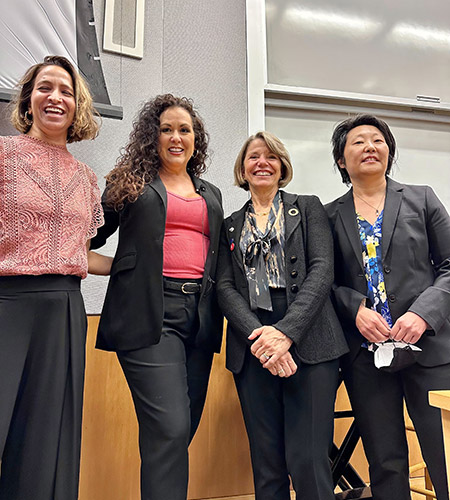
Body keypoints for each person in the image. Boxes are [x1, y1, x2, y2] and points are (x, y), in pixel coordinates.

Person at [89, 94, 223, 500]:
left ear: (196, 138)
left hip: (200, 314)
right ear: (153, 136)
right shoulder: (128, 183)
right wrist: (125, 265)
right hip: (149, 313)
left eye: (185, 130)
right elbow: (83, 242)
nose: (176, 137)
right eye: (167, 129)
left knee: (182, 425)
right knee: (170, 426)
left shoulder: (211, 192)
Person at [216, 131, 348, 500]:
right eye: (254, 157)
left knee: (308, 457)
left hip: (311, 338)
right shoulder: (229, 223)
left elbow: (322, 270)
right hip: (252, 340)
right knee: (266, 462)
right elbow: (225, 287)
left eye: (271, 157)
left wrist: (285, 333)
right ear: (243, 169)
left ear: (282, 166)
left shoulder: (307, 207)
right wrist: (261, 338)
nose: (262, 163)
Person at [326, 114, 450, 500]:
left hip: (428, 349)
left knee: (444, 454)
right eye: (358, 142)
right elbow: (324, 282)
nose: (369, 147)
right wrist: (355, 310)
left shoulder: (422, 197)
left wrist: (422, 313)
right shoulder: (328, 215)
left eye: (377, 140)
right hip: (367, 357)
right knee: (386, 460)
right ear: (342, 161)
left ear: (389, 151)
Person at [0, 55, 103, 500]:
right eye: (45, 88)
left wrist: (133, 269)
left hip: (65, 306)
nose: (55, 97)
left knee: (47, 437)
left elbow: (77, 251)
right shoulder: (4, 155)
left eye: (65, 90)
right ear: (28, 100)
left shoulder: (85, 177)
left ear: (77, 105)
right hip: (7, 303)